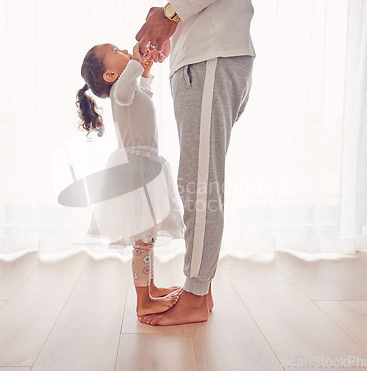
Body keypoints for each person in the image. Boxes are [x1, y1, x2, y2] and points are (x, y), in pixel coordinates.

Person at [135, 0, 256, 326]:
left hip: (209, 57)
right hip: (200, 58)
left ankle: (196, 296)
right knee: (200, 177)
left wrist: (170, 14)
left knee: (199, 182)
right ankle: (200, 290)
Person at [76, 42, 186, 316]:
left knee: (146, 237)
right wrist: (136, 61)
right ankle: (143, 301)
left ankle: (150, 288)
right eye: (115, 52)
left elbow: (143, 93)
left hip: (146, 167)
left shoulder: (129, 90)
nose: (124, 50)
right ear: (110, 77)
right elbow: (128, 89)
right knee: (142, 240)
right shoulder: (119, 93)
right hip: (138, 172)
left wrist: (145, 68)